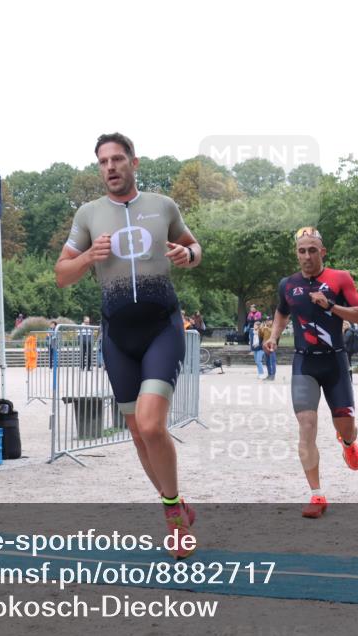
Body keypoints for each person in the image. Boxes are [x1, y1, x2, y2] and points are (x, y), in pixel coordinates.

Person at [54, 132, 202, 558]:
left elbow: (195, 247)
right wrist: (87, 257)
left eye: (118, 159)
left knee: (153, 424)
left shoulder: (163, 206)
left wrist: (186, 255)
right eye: (103, 162)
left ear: (134, 162)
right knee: (138, 434)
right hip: (118, 336)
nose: (110, 167)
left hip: (161, 327)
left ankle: (173, 518)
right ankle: (175, 504)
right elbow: (62, 274)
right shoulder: (88, 214)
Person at [263, 226, 358, 520]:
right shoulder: (288, 284)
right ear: (296, 254)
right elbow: (283, 311)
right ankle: (316, 494)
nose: (306, 256)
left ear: (323, 252)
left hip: (335, 362)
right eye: (301, 251)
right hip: (304, 363)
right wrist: (275, 335)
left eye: (312, 250)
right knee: (306, 426)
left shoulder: (339, 278)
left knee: (345, 425)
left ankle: (347, 441)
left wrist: (331, 305)